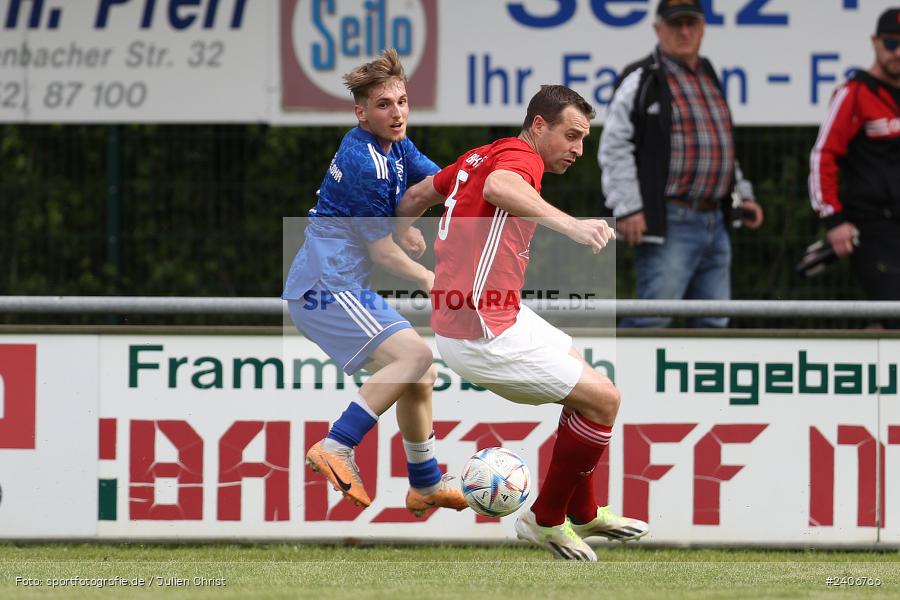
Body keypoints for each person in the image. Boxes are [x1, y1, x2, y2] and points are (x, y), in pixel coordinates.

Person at [397, 85, 649, 561]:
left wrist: (399, 231)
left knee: (589, 384)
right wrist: (573, 226)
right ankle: (545, 519)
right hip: (481, 330)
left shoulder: (481, 155)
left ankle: (583, 512)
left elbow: (416, 194)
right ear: (538, 125)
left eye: (583, 139)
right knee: (605, 400)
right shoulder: (519, 157)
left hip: (492, 313)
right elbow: (500, 188)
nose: (578, 149)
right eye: (571, 136)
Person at [282, 49, 467, 516]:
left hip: (338, 284)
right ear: (360, 113)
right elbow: (382, 252)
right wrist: (428, 277)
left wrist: (484, 188)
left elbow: (440, 181)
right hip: (326, 287)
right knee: (415, 356)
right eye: (384, 105)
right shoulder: (365, 162)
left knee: (420, 373)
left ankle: (425, 484)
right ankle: (336, 445)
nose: (397, 112)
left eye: (402, 102)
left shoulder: (395, 145)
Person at [599, 0, 764, 328]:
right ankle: (619, 366)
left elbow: (722, 144)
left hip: (715, 219)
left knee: (714, 325)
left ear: (703, 28)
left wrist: (741, 194)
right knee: (652, 320)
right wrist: (628, 208)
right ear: (658, 29)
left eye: (691, 23)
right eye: (676, 24)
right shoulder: (642, 77)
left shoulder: (708, 74)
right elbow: (614, 146)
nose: (685, 31)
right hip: (671, 219)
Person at [809, 8, 900, 329]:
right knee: (894, 313)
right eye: (891, 43)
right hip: (872, 228)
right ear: (875, 42)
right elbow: (823, 156)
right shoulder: (854, 93)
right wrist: (833, 220)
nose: (898, 52)